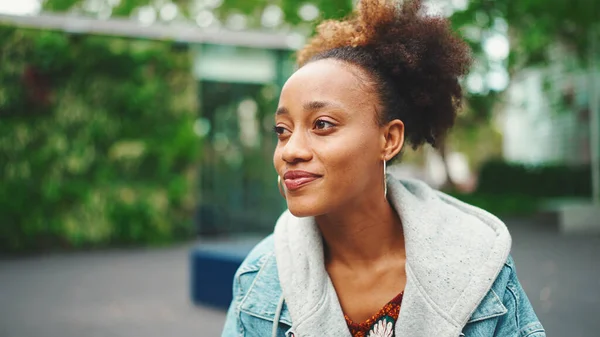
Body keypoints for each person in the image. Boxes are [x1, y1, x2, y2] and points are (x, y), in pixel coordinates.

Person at [222, 0, 545, 336]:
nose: (291, 150)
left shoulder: (477, 264)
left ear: (389, 139)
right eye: (282, 130)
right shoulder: (260, 278)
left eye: (322, 124)